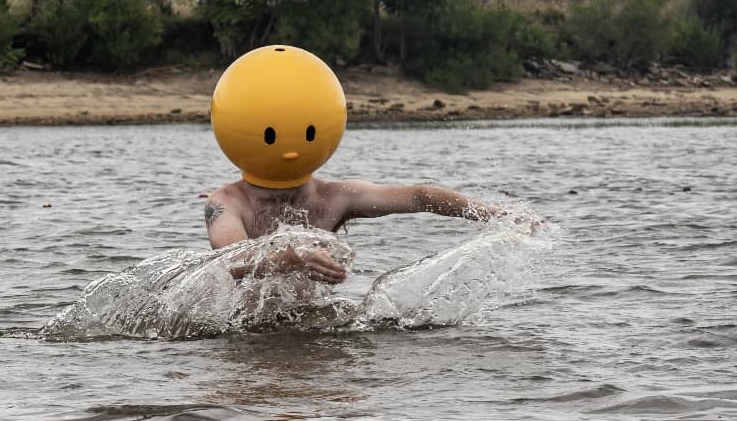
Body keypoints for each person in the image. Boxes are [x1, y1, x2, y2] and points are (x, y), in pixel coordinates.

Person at [202, 44, 522, 284]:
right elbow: (232, 260)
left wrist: (496, 215)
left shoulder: (336, 197)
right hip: (250, 338)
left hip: (313, 330)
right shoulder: (227, 202)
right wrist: (291, 257)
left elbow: (420, 196)